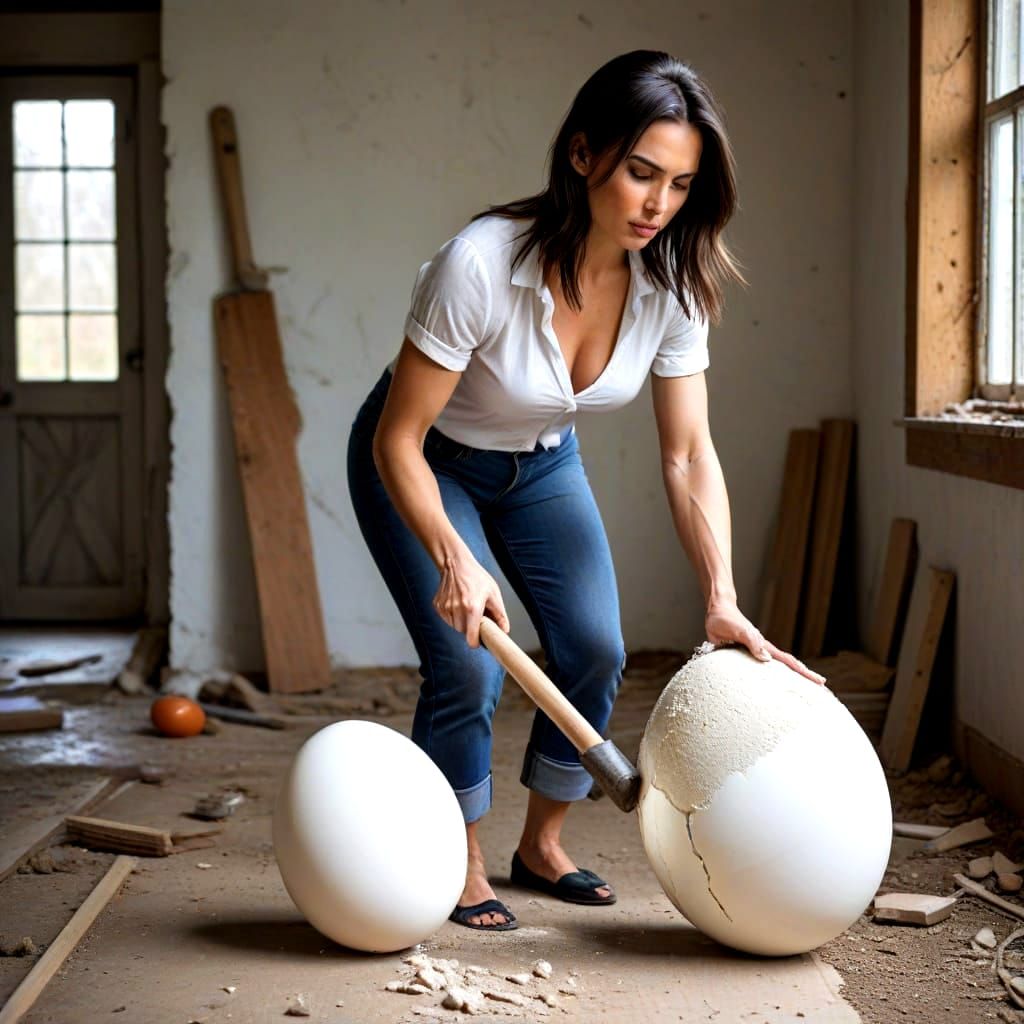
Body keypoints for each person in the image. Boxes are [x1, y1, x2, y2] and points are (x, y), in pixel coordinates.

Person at [347, 49, 824, 932]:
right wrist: (456, 556)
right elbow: (397, 438)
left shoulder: (672, 284)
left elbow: (687, 456)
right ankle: (459, 857)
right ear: (582, 155)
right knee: (464, 663)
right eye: (641, 173)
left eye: (680, 184)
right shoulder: (480, 264)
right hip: (424, 459)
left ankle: (543, 845)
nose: (658, 205)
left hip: (541, 466)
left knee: (595, 648)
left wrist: (720, 595)